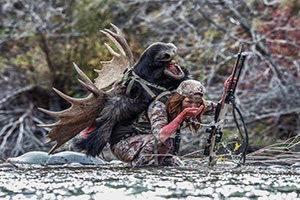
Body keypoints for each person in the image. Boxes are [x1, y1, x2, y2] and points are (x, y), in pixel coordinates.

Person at [108, 76, 235, 167]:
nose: (193, 106)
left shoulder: (196, 104)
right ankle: (137, 169)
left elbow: (220, 110)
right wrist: (183, 114)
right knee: (165, 142)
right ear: (179, 99)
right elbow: (161, 136)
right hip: (124, 144)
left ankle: (146, 167)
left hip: (147, 144)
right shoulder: (159, 106)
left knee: (177, 165)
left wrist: (226, 91)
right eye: (189, 102)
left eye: (197, 103)